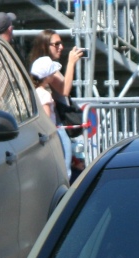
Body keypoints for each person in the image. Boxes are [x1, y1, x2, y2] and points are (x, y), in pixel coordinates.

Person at [29, 31, 85, 179]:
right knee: (63, 170)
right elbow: (65, 90)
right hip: (56, 126)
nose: (61, 47)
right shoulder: (45, 68)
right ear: (45, 46)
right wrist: (71, 62)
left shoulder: (47, 67)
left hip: (58, 124)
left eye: (61, 43)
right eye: (56, 44)